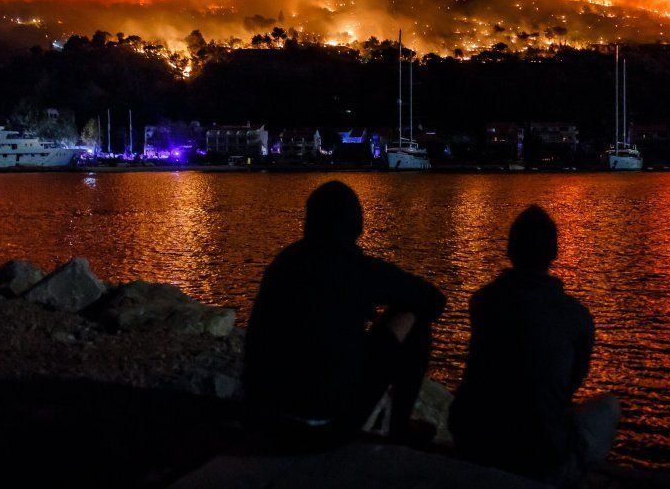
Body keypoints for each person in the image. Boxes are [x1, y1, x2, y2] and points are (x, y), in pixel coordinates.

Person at [244, 181, 446, 451]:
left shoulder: (285, 262)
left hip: (264, 421)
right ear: (356, 224)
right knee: (414, 317)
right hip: (324, 430)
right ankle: (398, 428)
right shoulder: (357, 269)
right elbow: (433, 299)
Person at [450, 205, 619, 485]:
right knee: (609, 407)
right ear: (554, 253)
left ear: (509, 251)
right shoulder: (577, 316)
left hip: (475, 443)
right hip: (540, 456)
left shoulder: (482, 302)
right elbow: (571, 383)